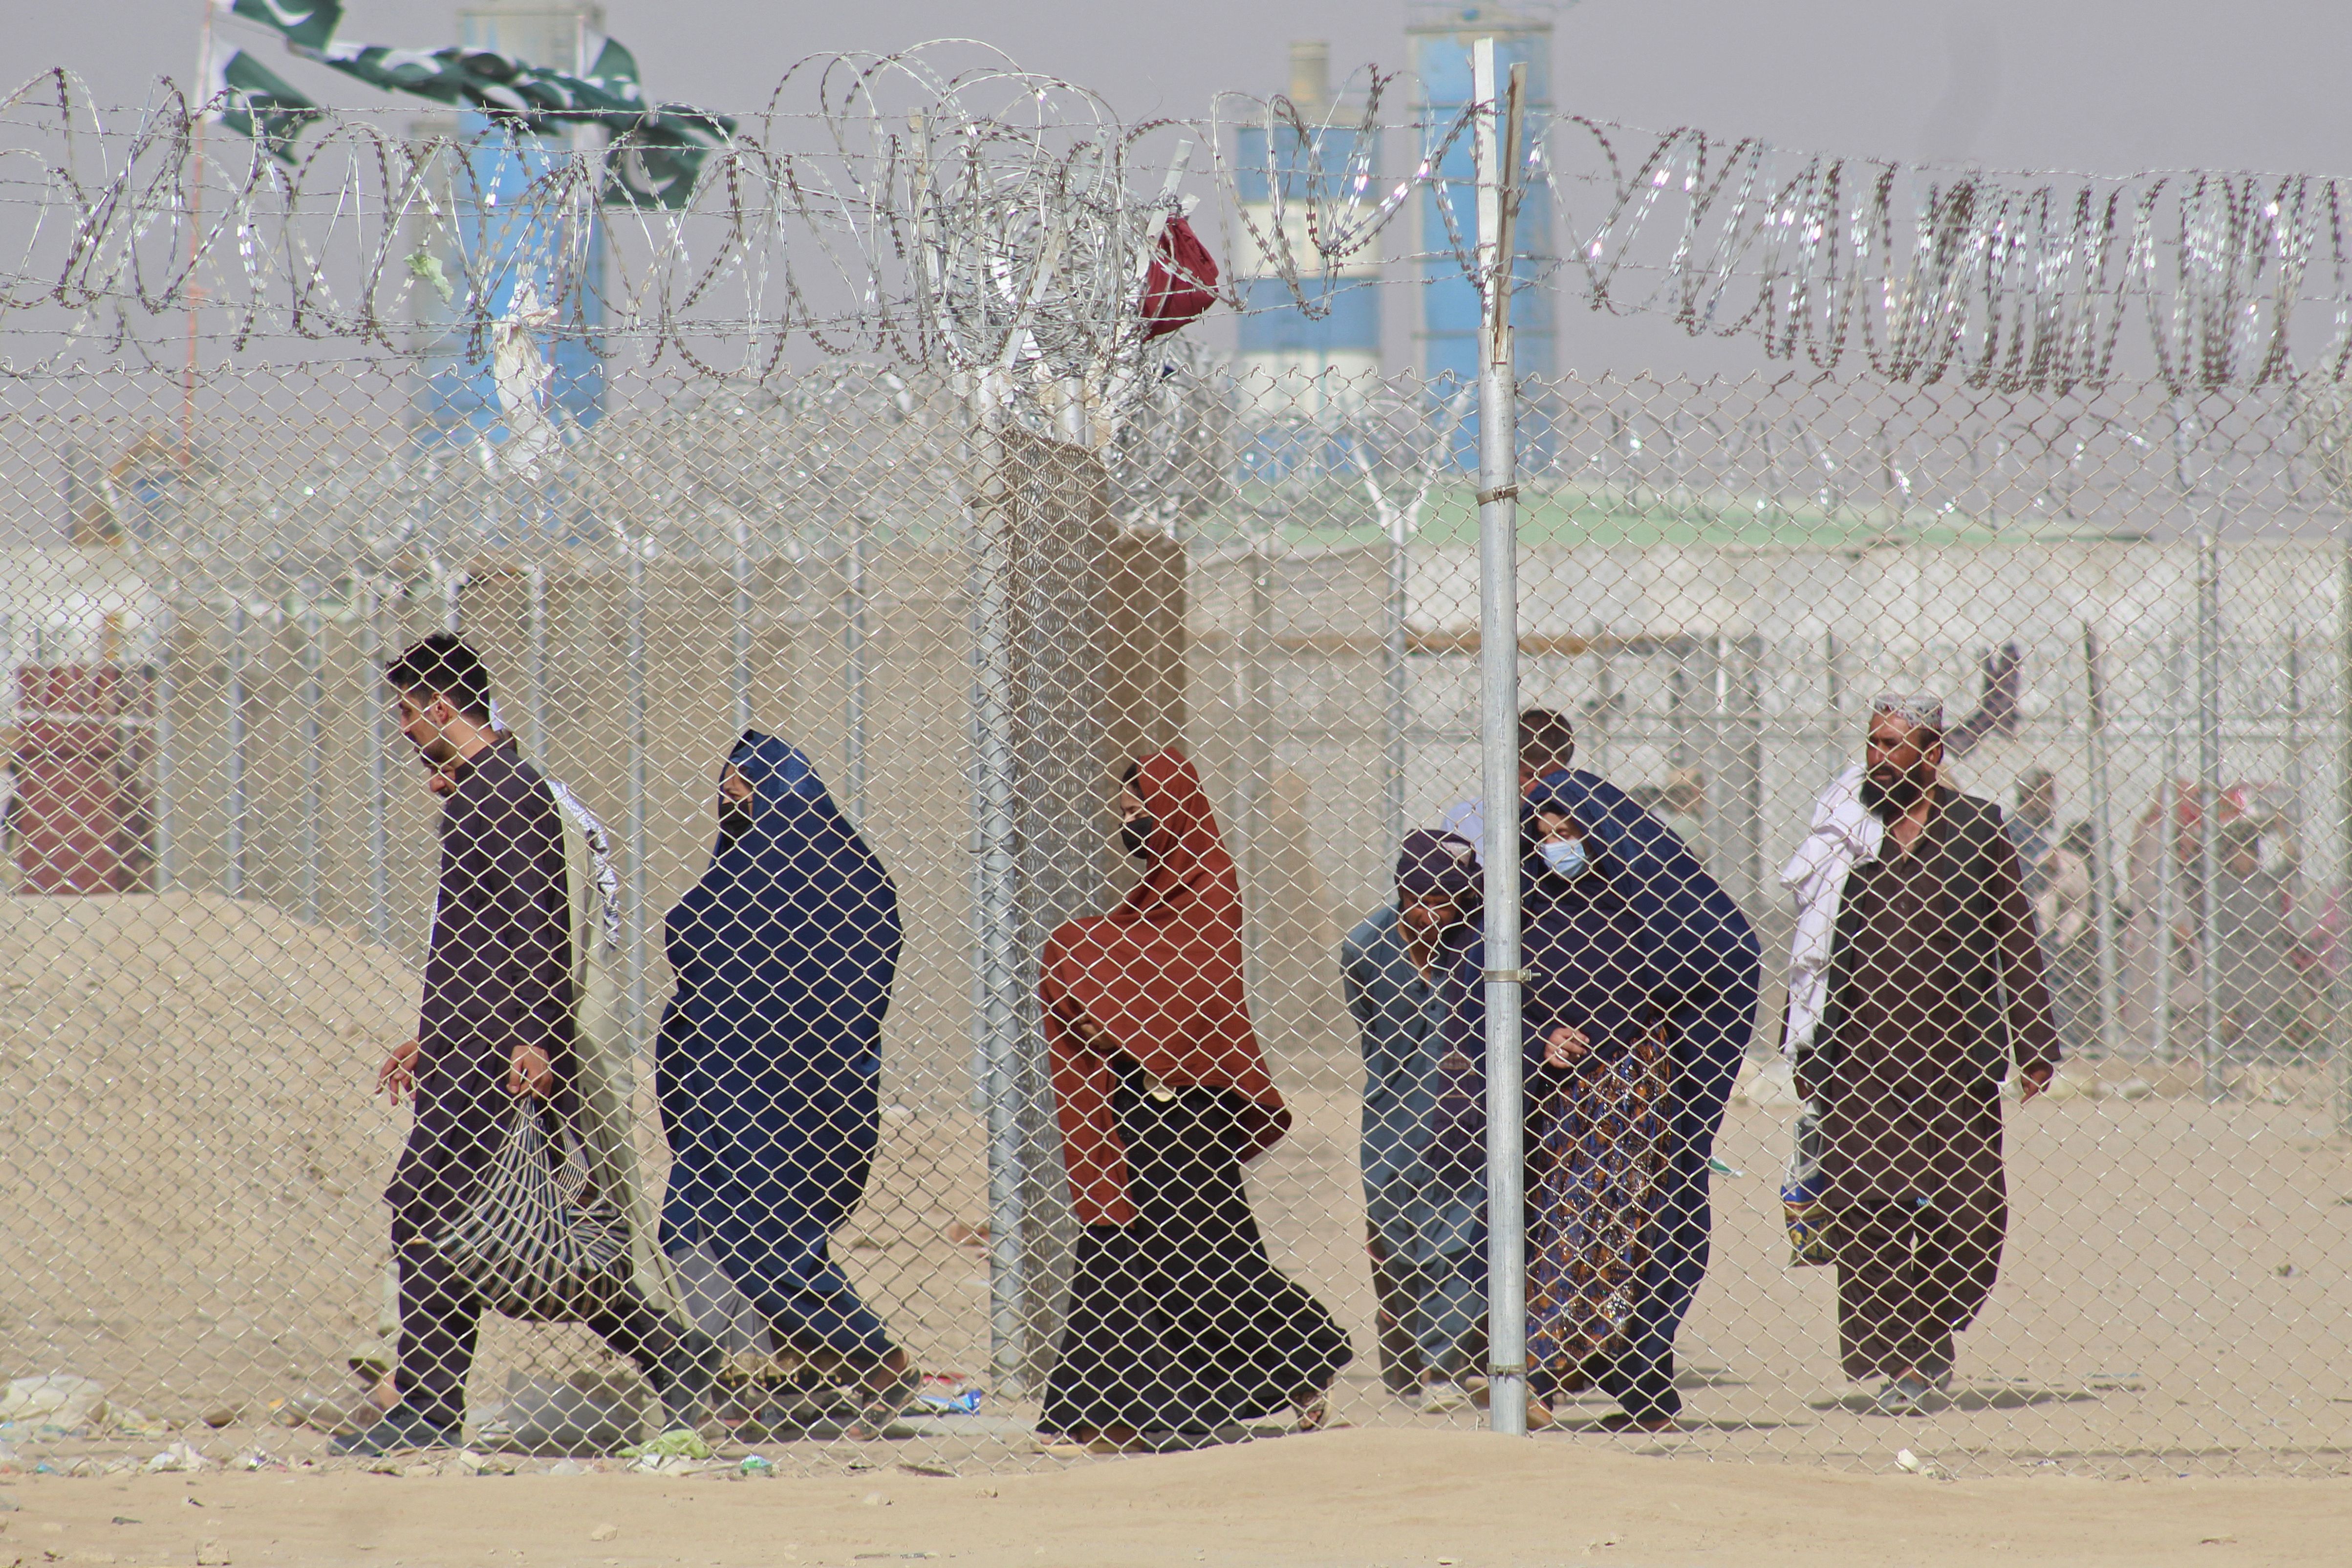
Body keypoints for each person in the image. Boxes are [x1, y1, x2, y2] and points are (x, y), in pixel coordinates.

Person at [342, 635, 705, 1457]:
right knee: (489, 1222)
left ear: (441, 705)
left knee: (429, 1208)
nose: (401, 728)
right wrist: (431, 1039)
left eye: (406, 710)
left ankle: (431, 1408)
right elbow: (483, 940)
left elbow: (540, 921)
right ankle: (674, 1353)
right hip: (472, 1045)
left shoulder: (501, 793)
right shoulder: (485, 790)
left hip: (501, 1056)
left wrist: (535, 1038)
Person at [1038, 747, 1352, 1449]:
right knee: (1120, 1243)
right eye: (1123, 813)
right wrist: (1098, 998)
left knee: (1202, 1253)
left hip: (1190, 1105)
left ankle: (1302, 1354)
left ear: (1173, 808)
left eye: (1140, 808)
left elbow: (1192, 993)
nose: (1130, 822)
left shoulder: (1210, 887)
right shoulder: (1138, 909)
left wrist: (1119, 1015)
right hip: (1133, 1099)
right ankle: (1094, 1409)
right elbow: (1122, 962)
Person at [1439, 757, 1760, 1434]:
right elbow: (1479, 999)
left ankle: (1567, 1371)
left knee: (1616, 1230)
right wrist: (1536, 1040)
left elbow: (1720, 958)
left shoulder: (1650, 903)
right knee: (1553, 1228)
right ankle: (1562, 1373)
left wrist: (1637, 1021)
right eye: (1545, 832)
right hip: (1546, 1105)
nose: (1558, 845)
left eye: (1572, 829)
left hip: (1632, 1097)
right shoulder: (1521, 908)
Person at [1782, 694, 2058, 1418]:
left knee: (1973, 1216)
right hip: (1859, 1060)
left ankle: (1932, 1328)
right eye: (1871, 742)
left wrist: (2033, 1043)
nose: (1876, 756)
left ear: (1931, 754)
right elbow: (1808, 946)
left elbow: (2015, 938)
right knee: (1863, 1213)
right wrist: (1802, 1041)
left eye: (1892, 744)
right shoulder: (1847, 830)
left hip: (1953, 1062)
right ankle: (1897, 1357)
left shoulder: (1976, 829)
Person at [656, 732, 913, 1435]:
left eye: (748, 776)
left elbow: (852, 980)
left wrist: (801, 1047)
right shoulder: (737, 869)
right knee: (687, 1232)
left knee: (766, 1236)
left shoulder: (840, 870)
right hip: (715, 1083)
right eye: (725, 778)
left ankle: (873, 1359)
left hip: (796, 1089)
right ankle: (729, 1384)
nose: (731, 789)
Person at [1339, 830, 1482, 1403]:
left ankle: (1446, 1366)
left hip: (1461, 1110)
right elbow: (1369, 1023)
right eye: (1416, 900)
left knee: (1454, 1237)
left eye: (1443, 902)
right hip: (1392, 1114)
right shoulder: (1365, 946)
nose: (1428, 913)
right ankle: (1404, 1360)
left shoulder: (1478, 943)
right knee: (1394, 1240)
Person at [1438, 707, 1579, 863]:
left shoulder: (1582, 817)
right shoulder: (1466, 820)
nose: (1543, 787)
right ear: (1511, 771)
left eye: (1553, 777)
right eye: (1531, 776)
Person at [2212, 819, 2296, 1060]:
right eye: (2239, 854)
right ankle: (2236, 1065)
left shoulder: (2263, 880)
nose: (2245, 860)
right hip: (2237, 959)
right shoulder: (2222, 884)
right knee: (2240, 1017)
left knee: (2269, 1016)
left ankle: (2267, 1064)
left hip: (2266, 958)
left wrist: (2279, 827)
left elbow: (2292, 858)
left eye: (2250, 853)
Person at [2034, 822, 2099, 1056]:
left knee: (2057, 991)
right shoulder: (2071, 863)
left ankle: (2062, 1042)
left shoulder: (2073, 865)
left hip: (2055, 935)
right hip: (2051, 934)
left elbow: (2077, 906)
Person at [2008, 769, 2058, 902]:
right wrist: (2046, 870)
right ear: (2029, 795)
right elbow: (2013, 877)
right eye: (2047, 793)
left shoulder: (2039, 829)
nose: (2053, 800)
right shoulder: (2015, 830)